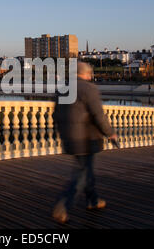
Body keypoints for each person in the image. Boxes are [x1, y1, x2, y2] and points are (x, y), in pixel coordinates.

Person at [52, 62, 118, 224]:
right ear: (87, 74)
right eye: (90, 74)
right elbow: (98, 115)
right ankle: (63, 206)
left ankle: (93, 200)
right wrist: (110, 133)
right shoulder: (89, 89)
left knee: (86, 169)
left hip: (69, 138)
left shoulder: (62, 89)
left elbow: (56, 115)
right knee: (82, 173)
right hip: (86, 138)